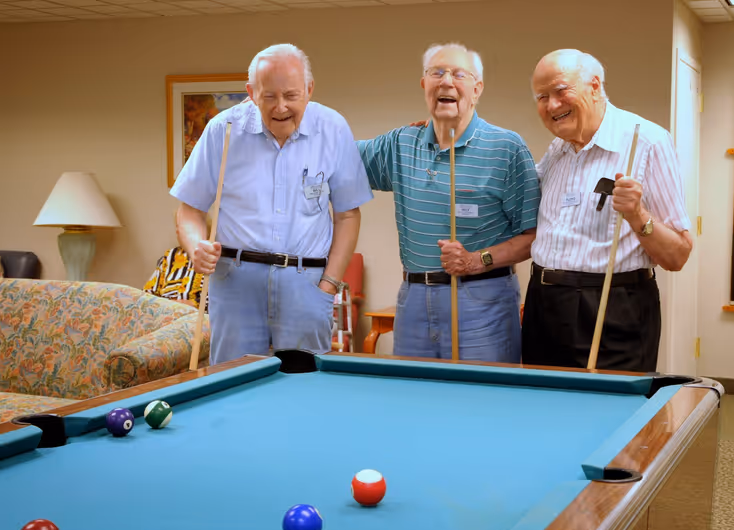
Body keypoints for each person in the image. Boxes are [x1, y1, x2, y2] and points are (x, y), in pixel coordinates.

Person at [170, 43, 372, 365]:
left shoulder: (333, 129)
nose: (281, 107)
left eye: (291, 96)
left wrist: (328, 287)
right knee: (231, 389)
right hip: (235, 282)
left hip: (307, 284)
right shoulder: (223, 130)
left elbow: (347, 215)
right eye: (269, 97)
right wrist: (196, 247)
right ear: (250, 92)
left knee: (304, 392)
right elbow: (189, 210)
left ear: (309, 89)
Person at [357, 43, 540, 363]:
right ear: (424, 84)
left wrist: (476, 260)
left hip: (483, 301)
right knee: (415, 401)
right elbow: (333, 158)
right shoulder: (400, 143)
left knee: (481, 402)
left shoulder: (506, 148)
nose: (446, 81)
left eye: (459, 74)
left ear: (477, 88)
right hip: (414, 299)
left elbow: (534, 237)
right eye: (436, 73)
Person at [523, 49, 693, 372]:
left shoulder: (648, 142)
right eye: (542, 96)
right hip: (543, 307)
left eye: (561, 91)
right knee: (544, 413)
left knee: (613, 417)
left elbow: (679, 255)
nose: (552, 105)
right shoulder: (557, 149)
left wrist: (638, 216)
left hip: (612, 309)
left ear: (595, 86)